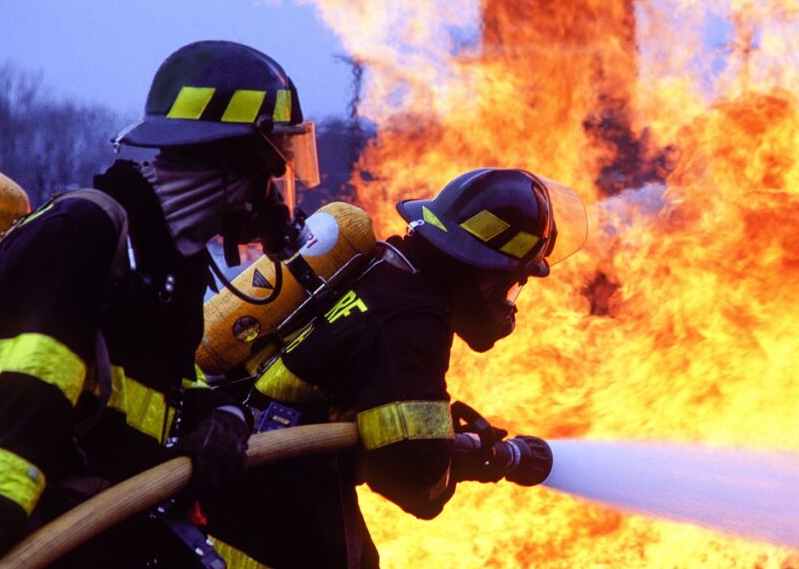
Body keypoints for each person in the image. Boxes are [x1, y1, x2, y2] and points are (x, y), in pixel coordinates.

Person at [0, 40, 319, 564]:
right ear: (234, 162)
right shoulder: (85, 231)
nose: (276, 194)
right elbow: (22, 395)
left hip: (112, 517)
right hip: (46, 532)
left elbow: (166, 393)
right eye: (275, 166)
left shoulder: (168, 265)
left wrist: (227, 415)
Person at [203, 167, 588, 568]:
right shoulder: (411, 321)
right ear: (484, 271)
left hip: (239, 471)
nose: (509, 302)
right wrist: (468, 459)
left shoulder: (382, 273)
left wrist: (444, 440)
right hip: (262, 504)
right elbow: (415, 481)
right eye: (513, 285)